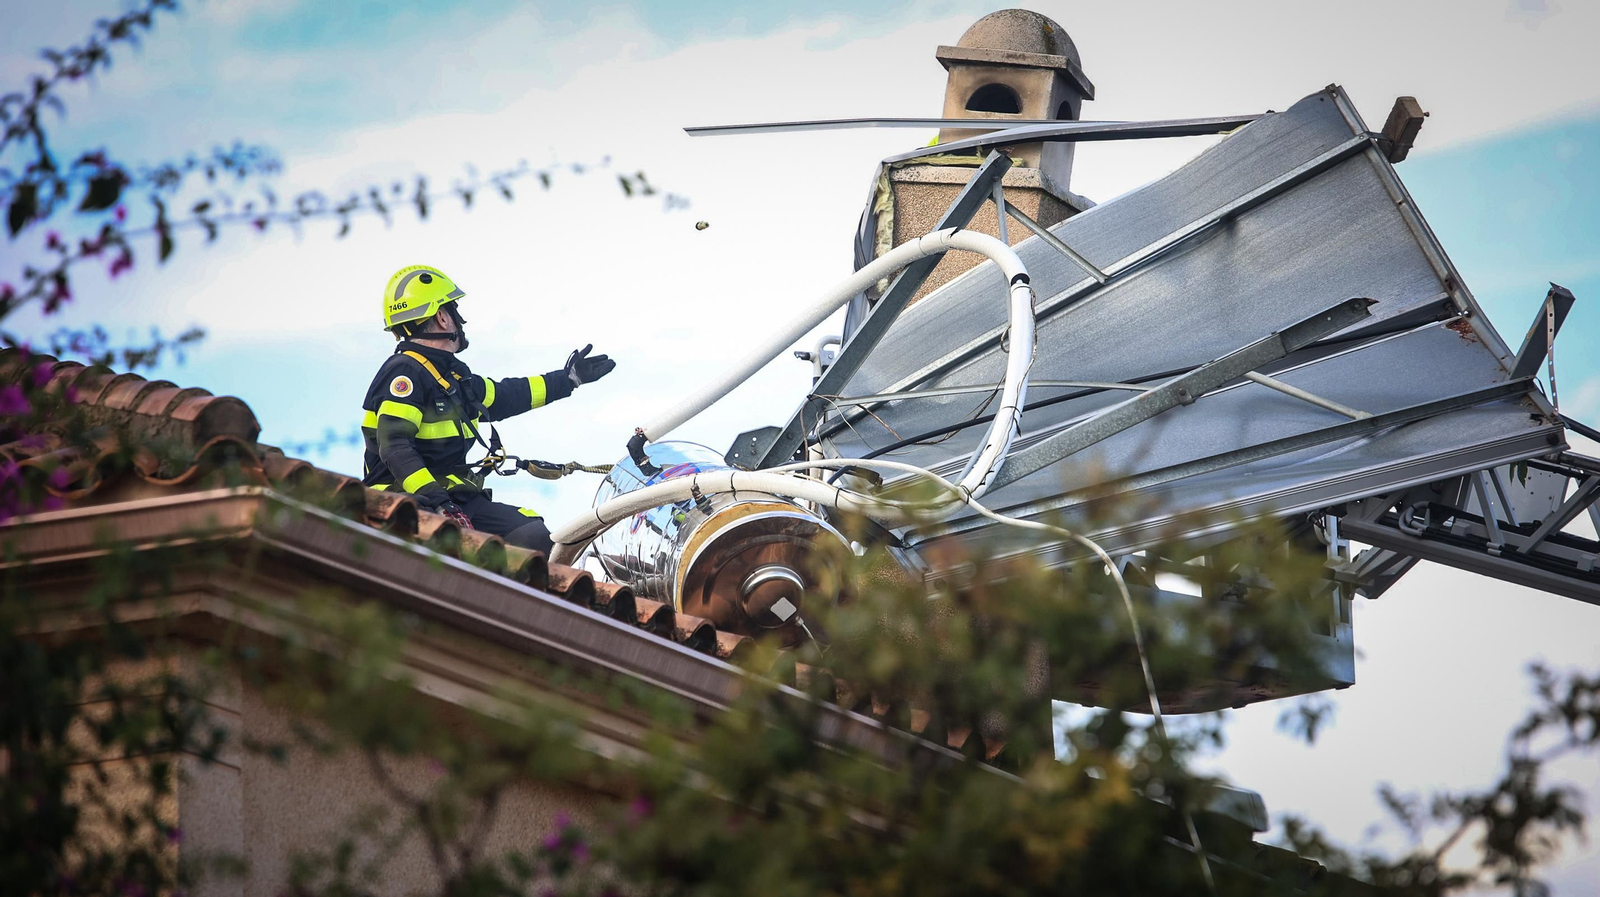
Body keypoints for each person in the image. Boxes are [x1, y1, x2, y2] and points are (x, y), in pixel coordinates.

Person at [360, 264, 615, 553]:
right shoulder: (404, 373)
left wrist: (568, 380)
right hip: (406, 500)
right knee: (448, 544)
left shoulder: (452, 375)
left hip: (452, 498)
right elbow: (394, 447)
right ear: (443, 318)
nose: (462, 321)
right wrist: (440, 504)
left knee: (531, 535)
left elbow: (505, 396)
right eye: (455, 310)